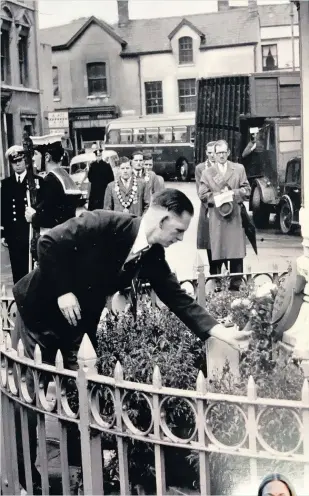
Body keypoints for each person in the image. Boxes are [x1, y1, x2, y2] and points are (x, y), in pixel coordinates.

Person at [12, 188, 252, 492]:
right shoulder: (102, 222)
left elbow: (177, 298)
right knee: (26, 397)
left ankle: (85, 477)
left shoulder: (151, 254)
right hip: (37, 316)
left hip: (76, 333)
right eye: (178, 230)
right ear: (163, 218)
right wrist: (63, 291)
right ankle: (25, 483)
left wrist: (219, 331)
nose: (179, 238)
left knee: (84, 398)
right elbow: (45, 243)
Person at [199, 140, 251, 291]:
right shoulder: (208, 173)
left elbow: (247, 190)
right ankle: (219, 289)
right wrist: (217, 195)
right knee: (218, 253)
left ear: (228, 153)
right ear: (214, 155)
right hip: (218, 217)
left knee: (235, 254)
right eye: (218, 153)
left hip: (235, 217)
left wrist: (232, 193)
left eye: (224, 152)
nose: (221, 155)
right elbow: (202, 195)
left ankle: (236, 289)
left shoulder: (239, 169)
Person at [1, 146, 42, 283]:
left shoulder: (35, 182)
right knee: (17, 274)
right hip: (13, 235)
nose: (17, 164)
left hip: (29, 233)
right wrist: (3, 233)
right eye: (14, 162)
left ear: (25, 160)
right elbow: (4, 210)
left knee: (32, 271)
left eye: (20, 160)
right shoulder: (6, 184)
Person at [25, 143, 81, 233]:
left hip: (52, 238)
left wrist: (33, 217)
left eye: (35, 154)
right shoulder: (65, 176)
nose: (33, 158)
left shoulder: (49, 181)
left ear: (47, 157)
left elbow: (50, 218)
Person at [195, 141, 227, 276]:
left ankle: (224, 270)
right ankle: (214, 271)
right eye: (208, 153)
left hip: (225, 208)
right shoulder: (201, 168)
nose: (211, 156)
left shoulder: (223, 166)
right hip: (209, 208)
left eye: (213, 153)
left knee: (224, 239)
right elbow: (200, 192)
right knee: (210, 241)